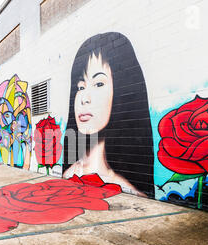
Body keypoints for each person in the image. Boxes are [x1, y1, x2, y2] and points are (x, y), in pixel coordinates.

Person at [63, 32, 155, 198]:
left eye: (98, 84)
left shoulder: (130, 191)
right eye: (81, 87)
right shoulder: (68, 174)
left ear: (121, 90)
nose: (84, 99)